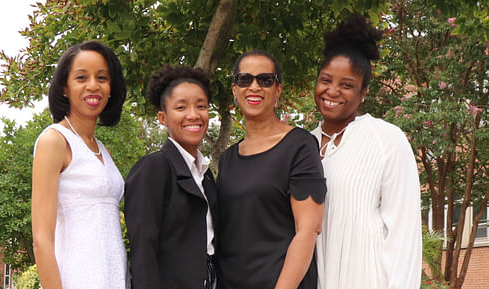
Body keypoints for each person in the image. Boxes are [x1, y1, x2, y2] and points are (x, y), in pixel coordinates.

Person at [310, 14, 422, 289]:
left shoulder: (386, 139)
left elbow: (404, 234)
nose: (332, 91)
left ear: (363, 93)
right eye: (326, 80)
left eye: (346, 85)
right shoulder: (301, 145)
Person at [217, 50, 327, 289]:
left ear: (278, 90)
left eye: (265, 80)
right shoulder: (227, 160)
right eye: (245, 79)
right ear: (235, 90)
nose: (254, 86)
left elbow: (308, 231)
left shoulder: (300, 145)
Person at [31, 40, 129, 289]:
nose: (93, 86)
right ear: (65, 87)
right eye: (82, 77)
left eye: (102, 78)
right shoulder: (54, 141)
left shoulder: (102, 149)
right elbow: (41, 239)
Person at [124, 65, 218, 289]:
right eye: (181, 107)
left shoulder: (206, 175)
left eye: (201, 106)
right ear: (163, 118)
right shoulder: (152, 169)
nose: (193, 115)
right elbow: (143, 252)